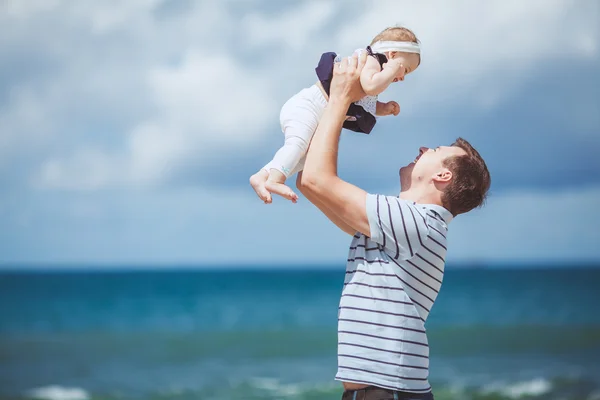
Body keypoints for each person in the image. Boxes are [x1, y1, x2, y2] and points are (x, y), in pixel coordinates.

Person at [297, 51, 491, 400]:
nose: (421, 148)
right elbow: (308, 182)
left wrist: (341, 97)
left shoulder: (417, 223)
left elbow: (314, 180)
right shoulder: (402, 226)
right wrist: (331, 105)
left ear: (443, 176)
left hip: (389, 393)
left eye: (432, 150)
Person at [249, 26, 422, 204]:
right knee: (297, 144)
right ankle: (275, 180)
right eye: (406, 70)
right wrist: (391, 69)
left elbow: (361, 100)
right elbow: (371, 86)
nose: (402, 78)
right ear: (392, 55)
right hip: (308, 106)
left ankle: (262, 175)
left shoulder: (375, 71)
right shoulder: (372, 60)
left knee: (305, 158)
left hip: (317, 113)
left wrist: (384, 108)